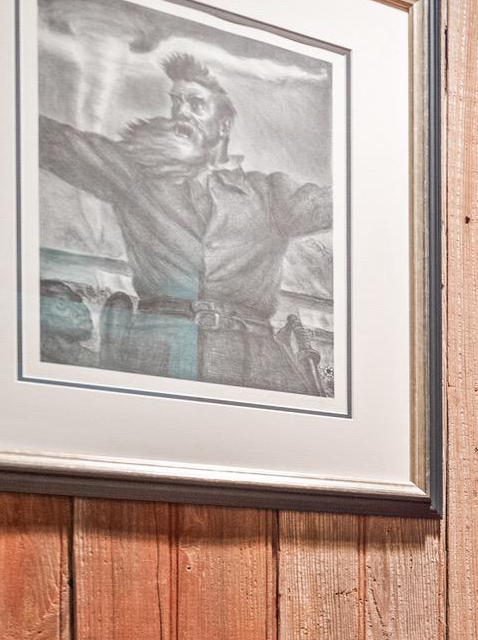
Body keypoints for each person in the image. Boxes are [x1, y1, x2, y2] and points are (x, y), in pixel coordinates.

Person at [39, 53, 332, 394]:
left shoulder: (269, 194)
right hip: (157, 352)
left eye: (196, 104)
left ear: (224, 125)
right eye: (176, 102)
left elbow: (353, 201)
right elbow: (58, 143)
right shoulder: (137, 174)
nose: (181, 112)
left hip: (258, 360)